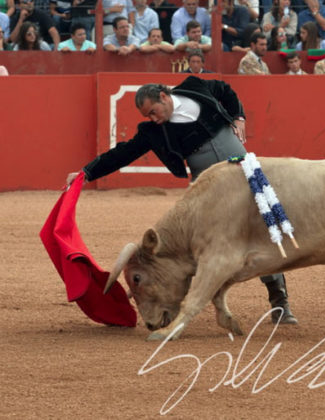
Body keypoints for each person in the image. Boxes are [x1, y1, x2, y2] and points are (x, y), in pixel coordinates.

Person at [65, 78, 298, 325]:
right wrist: (87, 172)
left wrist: (238, 116)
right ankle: (170, 304)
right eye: (148, 116)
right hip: (208, 191)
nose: (153, 119)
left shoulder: (195, 87)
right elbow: (123, 152)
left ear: (164, 97)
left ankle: (279, 302)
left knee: (264, 232)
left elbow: (225, 90)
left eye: (153, 112)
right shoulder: (154, 131)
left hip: (246, 174)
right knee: (201, 244)